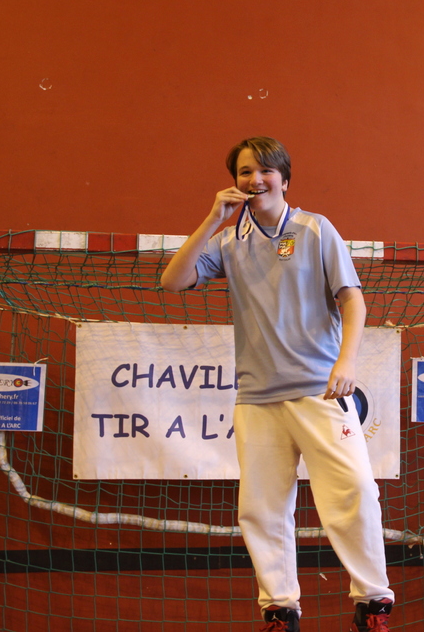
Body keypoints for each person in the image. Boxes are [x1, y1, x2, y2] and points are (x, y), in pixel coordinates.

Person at [160, 137, 394, 632]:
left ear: (284, 179)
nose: (255, 179)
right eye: (245, 172)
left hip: (319, 391)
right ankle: (279, 610)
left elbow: (353, 300)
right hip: (257, 399)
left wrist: (346, 360)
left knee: (355, 492)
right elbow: (173, 281)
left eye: (266, 170)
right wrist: (212, 220)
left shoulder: (315, 229)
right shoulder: (228, 241)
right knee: (261, 509)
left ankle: (373, 604)